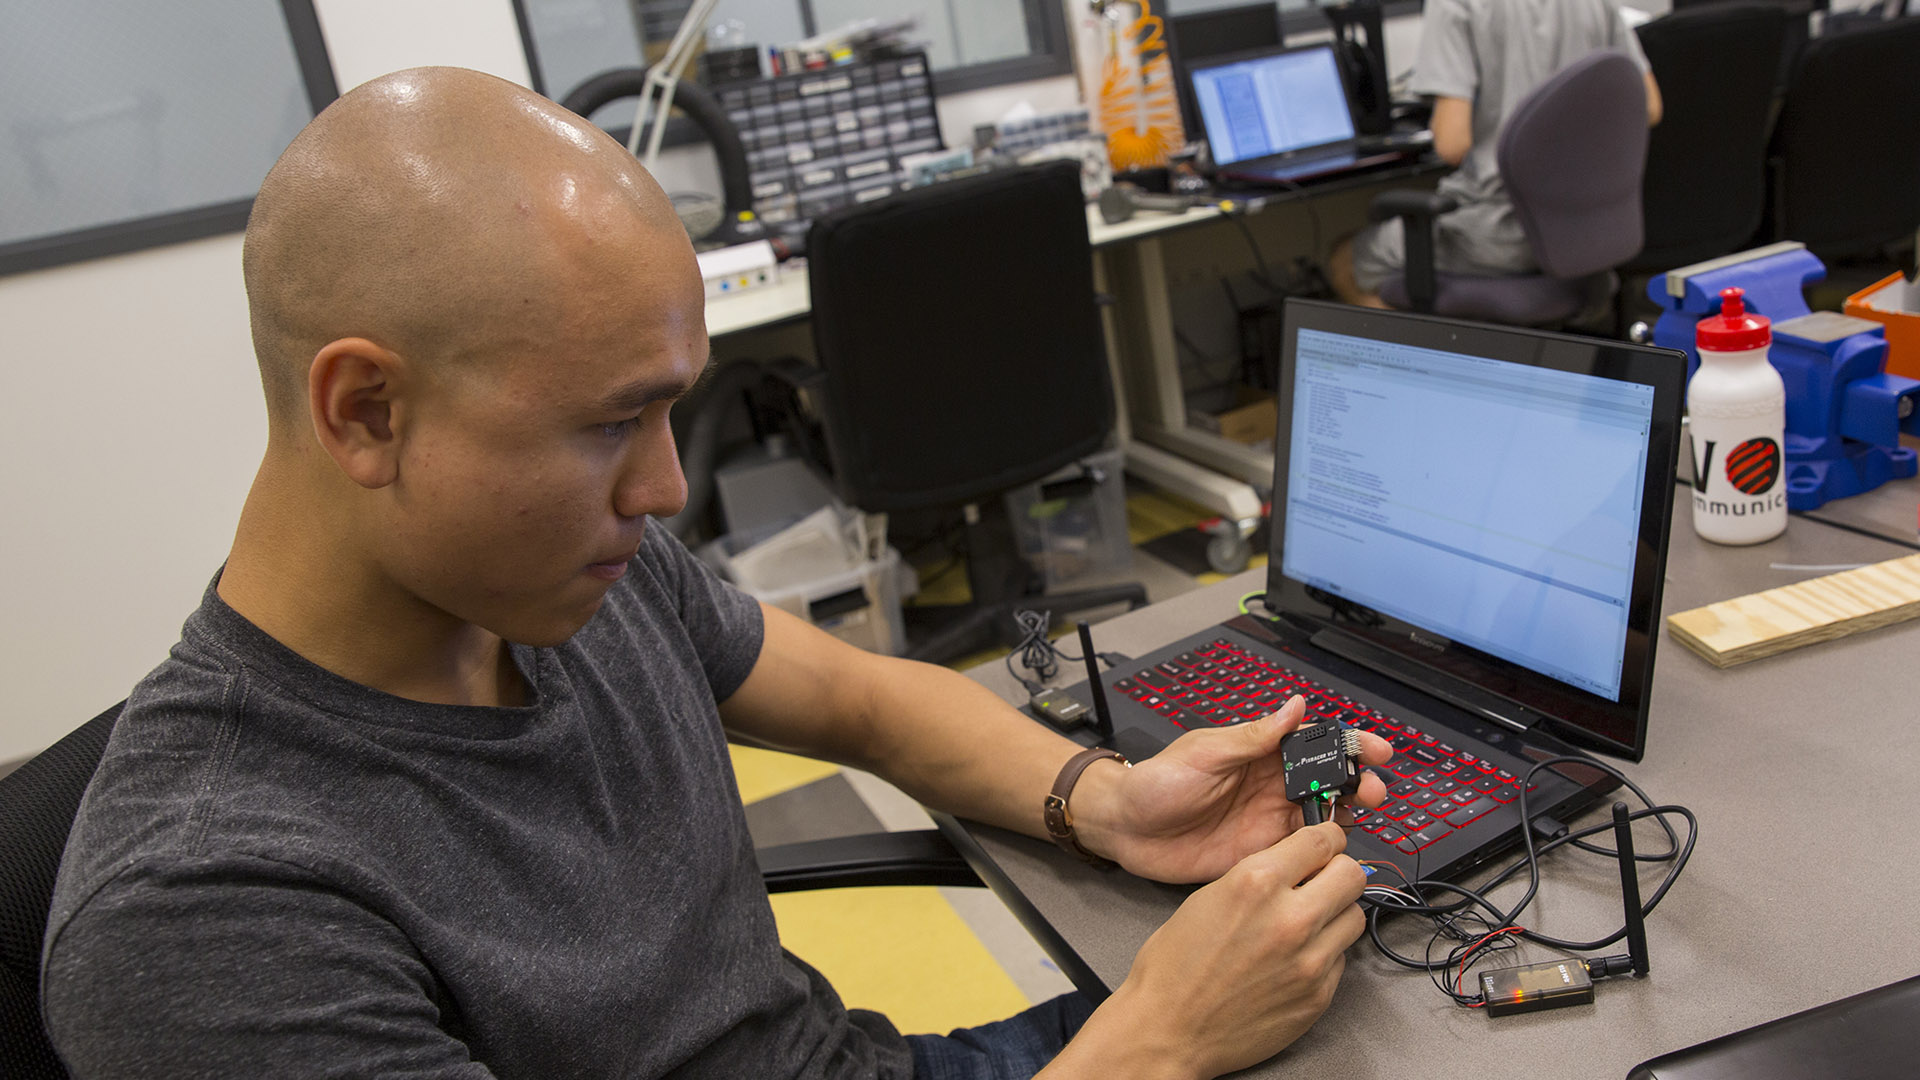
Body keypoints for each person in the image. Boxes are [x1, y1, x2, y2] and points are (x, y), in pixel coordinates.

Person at [41, 67, 1392, 1080]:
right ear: (365, 414)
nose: (665, 490)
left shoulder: (565, 578)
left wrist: (1109, 801)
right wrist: (1148, 1049)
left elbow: (864, 703)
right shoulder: (201, 919)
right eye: (607, 424)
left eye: (668, 413)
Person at [1330, 0, 1664, 309]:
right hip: (1584, 230)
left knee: (1345, 261)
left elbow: (1452, 145)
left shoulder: (1456, 5)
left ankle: (1427, 369)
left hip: (1501, 235)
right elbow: (1649, 106)